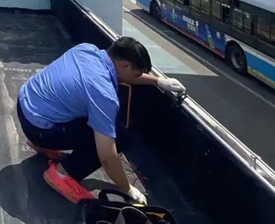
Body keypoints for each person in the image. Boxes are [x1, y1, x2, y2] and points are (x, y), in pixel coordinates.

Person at [16, 36, 186, 204]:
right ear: (126, 65)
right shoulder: (104, 94)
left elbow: (125, 75)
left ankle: (43, 144)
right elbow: (107, 156)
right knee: (118, 136)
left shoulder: (86, 49)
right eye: (137, 74)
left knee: (82, 109)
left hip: (25, 107)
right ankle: (61, 174)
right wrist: (127, 188)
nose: (138, 77)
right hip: (39, 129)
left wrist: (158, 81)